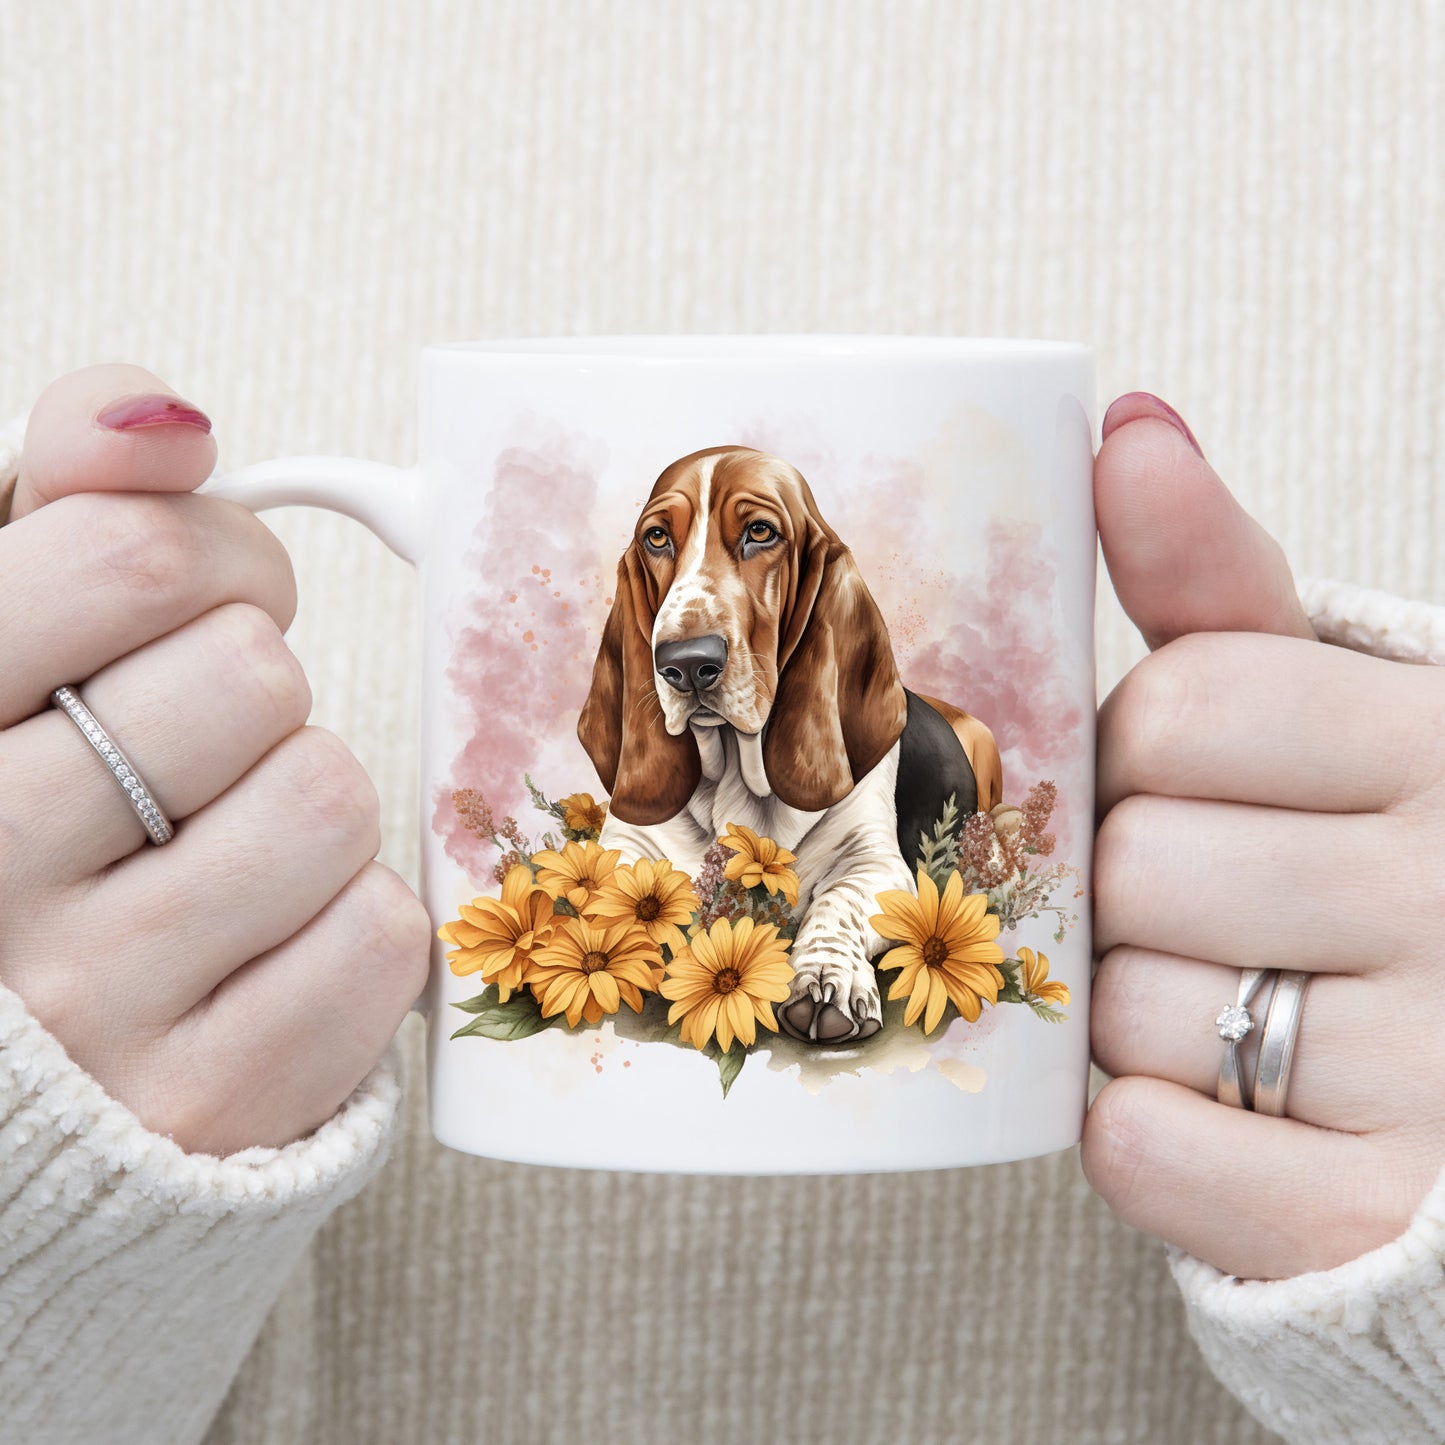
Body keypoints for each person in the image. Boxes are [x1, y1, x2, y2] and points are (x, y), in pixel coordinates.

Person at [1, 365, 1443, 1445]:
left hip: (881, 798)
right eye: (663, 560)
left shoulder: (857, 720)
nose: (692, 611)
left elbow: (863, 861)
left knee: (967, 762)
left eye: (749, 542)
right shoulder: (664, 707)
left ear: (810, 588)